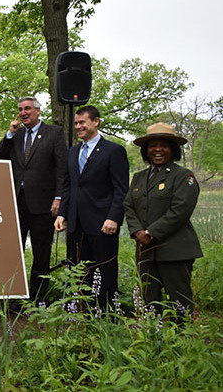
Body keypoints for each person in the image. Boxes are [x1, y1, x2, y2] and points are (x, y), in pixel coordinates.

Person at [0, 96, 67, 303]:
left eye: (27, 109)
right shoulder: (15, 136)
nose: (23, 113)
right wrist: (9, 134)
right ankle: (13, 297)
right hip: (17, 203)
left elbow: (62, 168)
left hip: (44, 205)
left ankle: (38, 300)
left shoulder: (54, 133)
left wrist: (59, 197)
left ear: (38, 111)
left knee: (41, 253)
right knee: (13, 252)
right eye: (20, 109)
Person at [124, 122, 202, 316]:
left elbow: (180, 210)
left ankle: (182, 342)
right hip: (145, 251)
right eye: (152, 145)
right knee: (150, 301)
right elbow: (128, 205)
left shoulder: (183, 176)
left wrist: (151, 233)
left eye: (164, 145)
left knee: (179, 303)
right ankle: (154, 339)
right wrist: (138, 232)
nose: (157, 149)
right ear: (146, 150)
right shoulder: (139, 177)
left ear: (173, 149)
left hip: (175, 251)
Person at [55, 105, 128, 308]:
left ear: (96, 122)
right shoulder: (73, 152)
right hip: (76, 225)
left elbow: (121, 189)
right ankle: (82, 313)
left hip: (103, 223)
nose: (78, 127)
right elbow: (68, 186)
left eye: (82, 123)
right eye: (76, 123)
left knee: (104, 271)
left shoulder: (114, 151)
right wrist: (62, 214)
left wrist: (113, 217)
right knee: (78, 271)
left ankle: (106, 315)